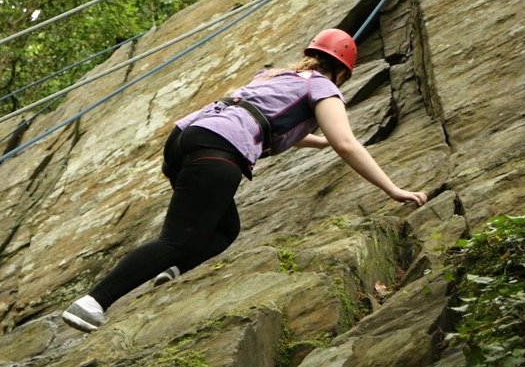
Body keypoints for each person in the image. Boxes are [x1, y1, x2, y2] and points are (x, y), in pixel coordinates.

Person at [62, 29, 427, 333]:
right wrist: (392, 189)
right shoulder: (323, 87)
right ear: (344, 73)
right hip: (219, 148)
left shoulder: (277, 75)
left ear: (311, 54)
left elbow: (269, 121)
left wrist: (321, 143)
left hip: (187, 139)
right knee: (176, 239)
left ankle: (171, 272)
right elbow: (346, 142)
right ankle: (92, 301)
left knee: (224, 230)